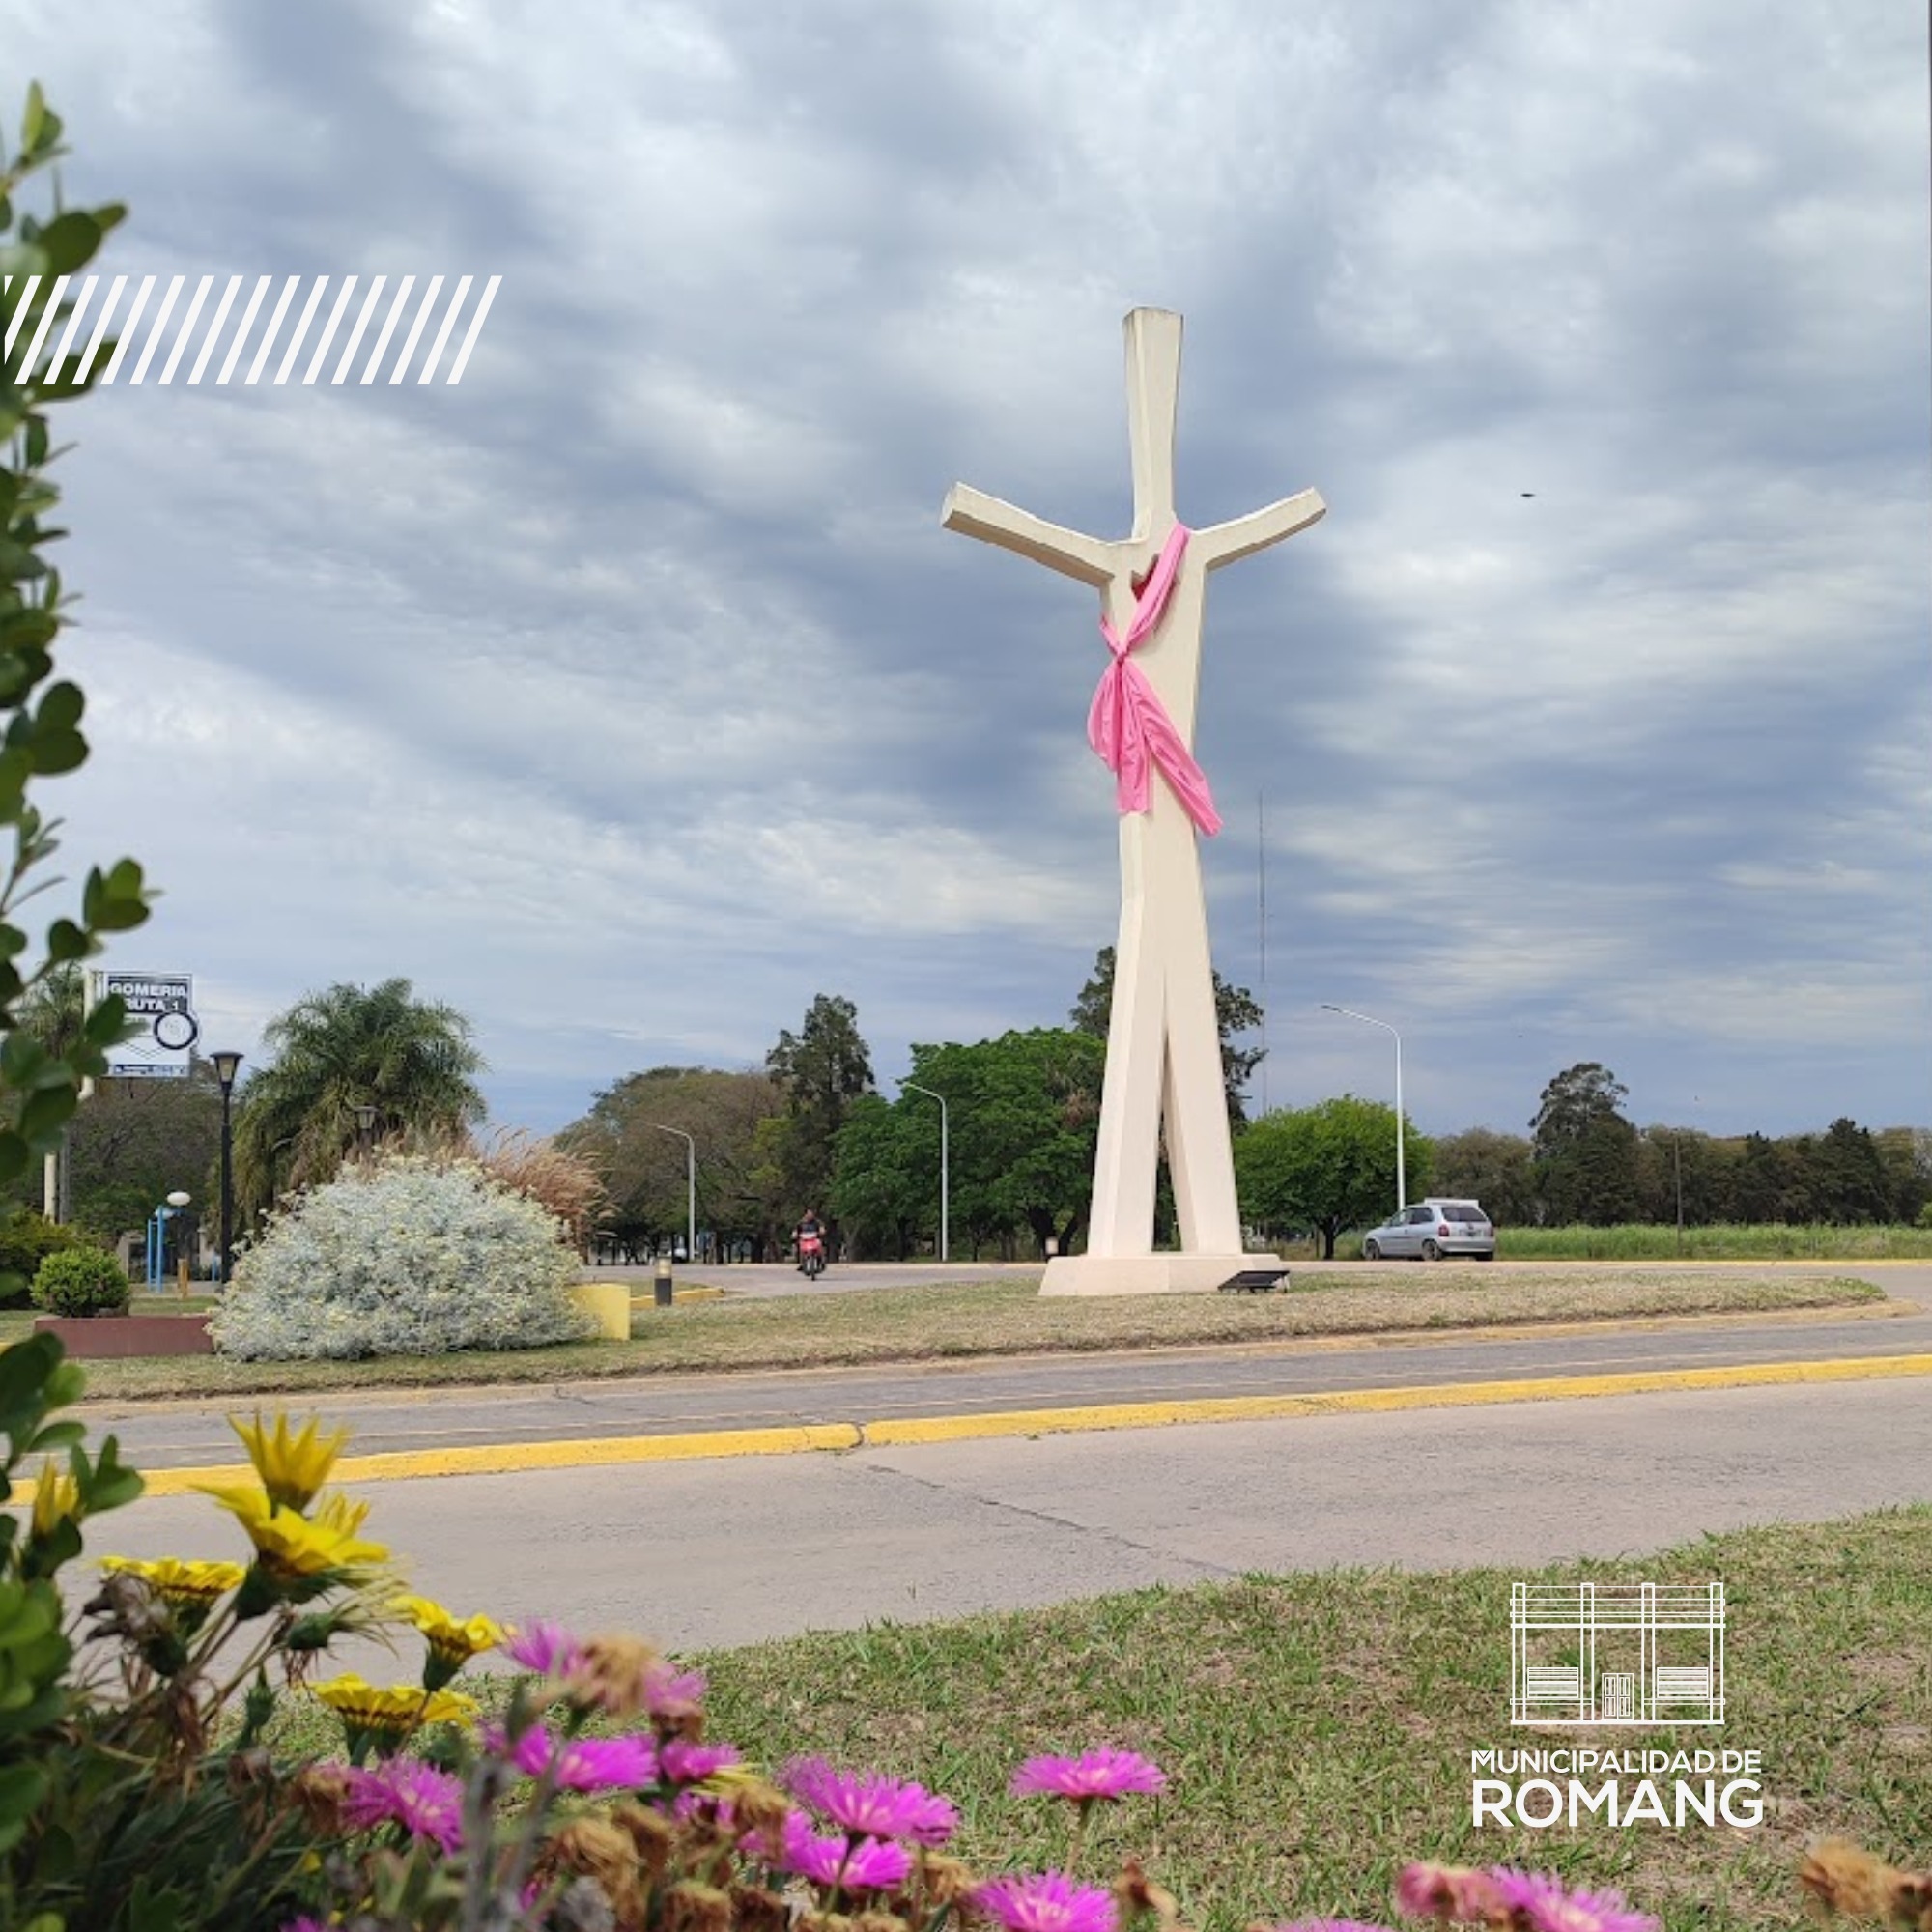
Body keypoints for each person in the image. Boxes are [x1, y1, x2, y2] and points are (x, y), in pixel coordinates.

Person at [794, 1208, 825, 1272]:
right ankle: (802, 1264)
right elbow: (796, 1230)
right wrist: (795, 1234)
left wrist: (822, 1231)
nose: (810, 1215)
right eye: (808, 1213)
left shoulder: (817, 1222)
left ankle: (821, 1262)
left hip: (814, 1239)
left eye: (811, 1214)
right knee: (800, 1248)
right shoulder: (801, 1222)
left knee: (819, 1246)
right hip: (804, 1239)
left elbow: (821, 1228)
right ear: (805, 1214)